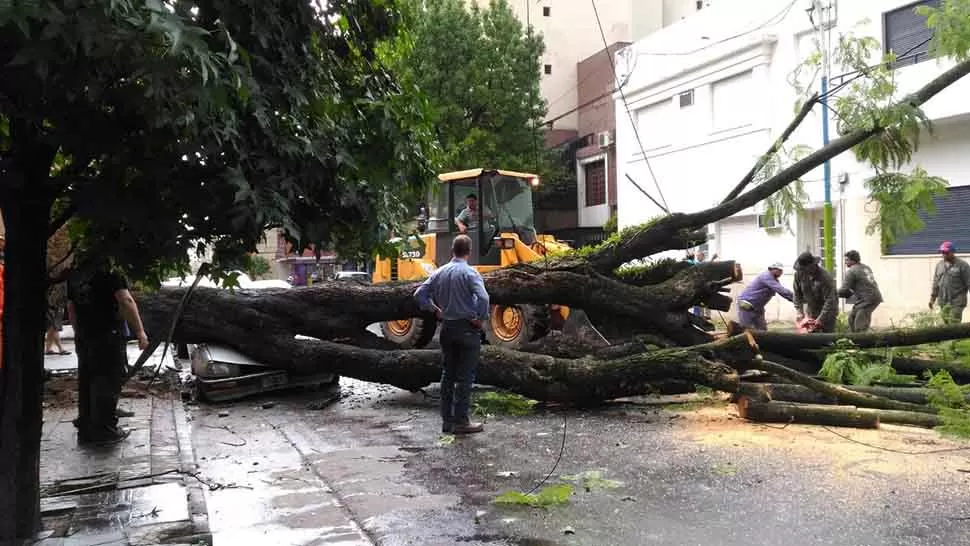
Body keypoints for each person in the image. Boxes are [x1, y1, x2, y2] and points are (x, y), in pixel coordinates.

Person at [68, 258, 149, 444]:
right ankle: (105, 431)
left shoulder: (75, 272)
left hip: (85, 336)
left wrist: (78, 333)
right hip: (108, 334)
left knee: (88, 381)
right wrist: (140, 332)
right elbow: (126, 300)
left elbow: (71, 308)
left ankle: (87, 427)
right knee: (108, 381)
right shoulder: (110, 271)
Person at [414, 235, 489, 435]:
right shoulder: (470, 273)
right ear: (469, 251)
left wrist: (434, 309)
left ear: (452, 251)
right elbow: (483, 297)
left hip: (447, 328)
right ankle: (461, 421)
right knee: (465, 377)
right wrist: (480, 318)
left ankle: (447, 421)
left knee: (448, 374)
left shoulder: (440, 272)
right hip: (466, 328)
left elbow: (419, 294)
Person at [736, 263, 793, 331]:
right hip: (746, 304)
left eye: (781, 271)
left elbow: (783, 292)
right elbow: (781, 290)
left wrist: (795, 300)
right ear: (772, 269)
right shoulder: (766, 276)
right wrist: (797, 299)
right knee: (747, 330)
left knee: (762, 330)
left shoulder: (774, 280)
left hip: (757, 308)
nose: (781, 272)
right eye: (779, 270)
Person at [837, 250, 883, 332]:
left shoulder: (851, 271)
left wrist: (832, 293)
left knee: (860, 322)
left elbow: (844, 290)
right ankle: (854, 339)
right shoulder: (865, 267)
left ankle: (862, 342)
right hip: (872, 297)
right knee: (852, 318)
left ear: (853, 260)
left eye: (847, 260)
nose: (845, 262)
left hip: (868, 299)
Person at [792, 251, 838, 333]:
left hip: (827, 312)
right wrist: (799, 311)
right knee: (810, 337)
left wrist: (820, 320)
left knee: (826, 340)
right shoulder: (799, 274)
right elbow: (797, 293)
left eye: (804, 269)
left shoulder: (825, 278)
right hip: (811, 310)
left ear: (812, 266)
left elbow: (830, 301)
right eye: (801, 269)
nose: (802, 271)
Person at [930, 241, 970, 324]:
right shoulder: (939, 265)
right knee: (945, 325)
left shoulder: (962, 265)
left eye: (946, 252)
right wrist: (932, 299)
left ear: (952, 252)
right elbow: (936, 283)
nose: (944, 254)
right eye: (942, 252)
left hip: (957, 301)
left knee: (953, 323)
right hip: (943, 301)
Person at [44, 281, 71, 355]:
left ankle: (50, 349)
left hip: (55, 304)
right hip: (54, 305)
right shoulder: (58, 280)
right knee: (53, 327)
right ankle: (59, 349)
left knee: (53, 327)